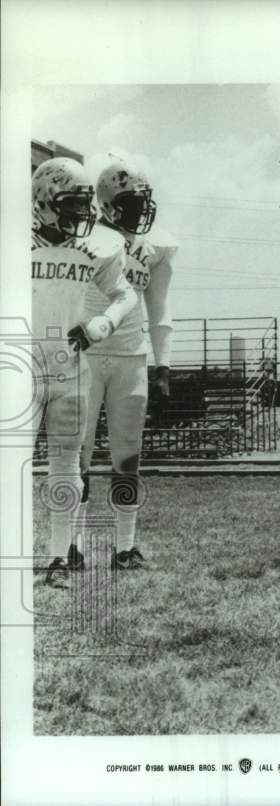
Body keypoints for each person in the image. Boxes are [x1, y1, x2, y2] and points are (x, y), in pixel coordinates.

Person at [31, 157, 137, 588]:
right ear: (43, 201)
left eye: (83, 205)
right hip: (21, 362)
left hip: (70, 364)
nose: (80, 214)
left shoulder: (98, 246)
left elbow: (124, 293)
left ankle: (58, 557)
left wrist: (102, 324)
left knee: (66, 462)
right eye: (70, 204)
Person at [75, 160, 177, 570]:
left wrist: (164, 365)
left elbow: (161, 308)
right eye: (133, 201)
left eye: (144, 200)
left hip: (132, 356)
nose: (142, 209)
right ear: (109, 203)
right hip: (86, 353)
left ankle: (125, 546)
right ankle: (71, 546)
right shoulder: (86, 238)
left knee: (128, 457)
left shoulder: (155, 247)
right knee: (76, 456)